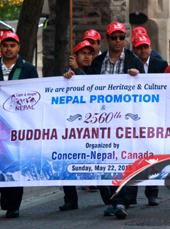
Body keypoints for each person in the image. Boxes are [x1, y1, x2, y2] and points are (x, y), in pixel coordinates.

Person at [0, 31, 38, 219]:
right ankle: (6, 194)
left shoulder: (27, 68)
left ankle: (13, 205)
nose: (8, 49)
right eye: (5, 45)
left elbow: (36, 93)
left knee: (15, 161)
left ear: (18, 48)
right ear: (0, 48)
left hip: (18, 123)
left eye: (12, 45)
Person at [86, 22, 144, 219]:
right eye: (114, 37)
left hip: (126, 121)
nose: (118, 41)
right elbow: (86, 87)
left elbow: (145, 88)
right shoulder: (98, 62)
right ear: (107, 39)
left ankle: (121, 200)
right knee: (103, 160)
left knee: (125, 159)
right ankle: (111, 199)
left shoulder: (133, 60)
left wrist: (138, 77)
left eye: (121, 37)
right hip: (102, 121)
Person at [59, 40, 112, 209]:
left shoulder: (96, 71)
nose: (87, 57)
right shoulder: (69, 75)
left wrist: (76, 70)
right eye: (83, 53)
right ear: (74, 56)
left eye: (90, 53)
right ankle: (70, 199)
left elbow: (90, 87)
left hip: (94, 126)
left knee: (98, 162)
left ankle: (108, 197)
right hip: (75, 126)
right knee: (68, 159)